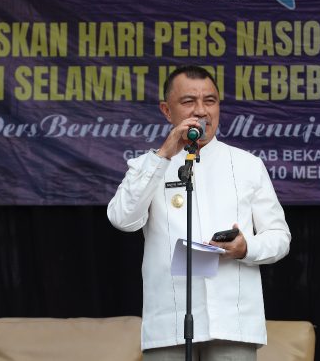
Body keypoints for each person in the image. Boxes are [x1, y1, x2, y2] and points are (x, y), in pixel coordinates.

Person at [108, 66, 291, 360]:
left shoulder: (247, 165)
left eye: (210, 101)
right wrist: (164, 155)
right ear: (167, 110)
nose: (201, 111)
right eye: (188, 101)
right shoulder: (148, 165)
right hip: (170, 322)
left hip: (233, 322)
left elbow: (279, 237)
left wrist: (246, 247)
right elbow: (122, 218)